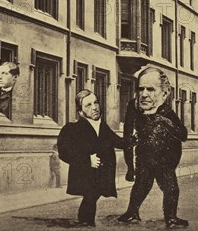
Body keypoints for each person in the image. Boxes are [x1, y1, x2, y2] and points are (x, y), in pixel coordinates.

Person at [118, 66, 189, 229]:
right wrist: (130, 167)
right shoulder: (134, 107)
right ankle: (132, 212)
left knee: (171, 188)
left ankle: (171, 217)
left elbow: (183, 134)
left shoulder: (167, 111)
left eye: (150, 89)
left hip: (165, 161)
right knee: (141, 186)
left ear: (164, 93)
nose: (143, 94)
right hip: (144, 158)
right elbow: (127, 136)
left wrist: (162, 120)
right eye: (140, 89)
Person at [58, 89, 128, 227]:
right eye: (88, 105)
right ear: (80, 111)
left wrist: (136, 138)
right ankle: (86, 222)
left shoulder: (102, 126)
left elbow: (118, 142)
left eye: (95, 102)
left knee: (93, 195)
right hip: (84, 172)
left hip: (101, 173)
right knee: (91, 195)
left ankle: (86, 221)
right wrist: (86, 160)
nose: (94, 107)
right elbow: (64, 152)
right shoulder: (72, 128)